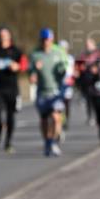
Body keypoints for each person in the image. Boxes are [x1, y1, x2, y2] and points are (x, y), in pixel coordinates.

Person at [30, 28, 67, 156]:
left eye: (49, 40)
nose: (47, 42)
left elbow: (64, 69)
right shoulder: (36, 55)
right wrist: (34, 72)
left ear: (52, 40)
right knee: (44, 120)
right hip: (42, 92)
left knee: (56, 118)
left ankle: (53, 141)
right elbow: (30, 73)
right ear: (41, 41)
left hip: (55, 92)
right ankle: (47, 142)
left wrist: (62, 70)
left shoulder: (58, 53)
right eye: (45, 40)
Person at [0, 27, 23, 154]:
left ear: (9, 36)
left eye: (5, 34)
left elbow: (24, 65)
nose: (3, 37)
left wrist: (17, 66)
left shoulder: (15, 51)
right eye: (1, 35)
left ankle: (8, 142)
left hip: (12, 88)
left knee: (10, 115)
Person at [75, 37, 99, 126]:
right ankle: (90, 116)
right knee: (89, 100)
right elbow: (77, 66)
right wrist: (78, 70)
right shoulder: (82, 55)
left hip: (97, 81)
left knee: (97, 101)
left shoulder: (98, 55)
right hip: (86, 81)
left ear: (94, 45)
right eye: (86, 44)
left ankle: (98, 116)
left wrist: (97, 69)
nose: (88, 46)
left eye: (89, 44)